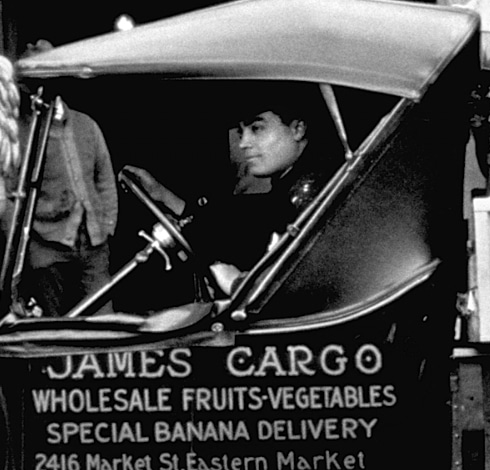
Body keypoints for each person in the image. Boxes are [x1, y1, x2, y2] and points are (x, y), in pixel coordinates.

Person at [122, 89, 341, 297]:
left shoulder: (309, 193)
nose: (244, 143)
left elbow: (301, 290)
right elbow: (246, 221)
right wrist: (165, 197)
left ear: (297, 130)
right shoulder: (292, 184)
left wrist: (237, 284)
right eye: (240, 132)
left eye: (257, 128)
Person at [17, 91, 117, 316]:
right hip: (46, 247)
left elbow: (105, 178)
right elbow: (13, 192)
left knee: (104, 318)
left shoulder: (87, 125)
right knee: (53, 322)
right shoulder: (22, 133)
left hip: (93, 244)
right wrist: (30, 244)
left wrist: (108, 224)